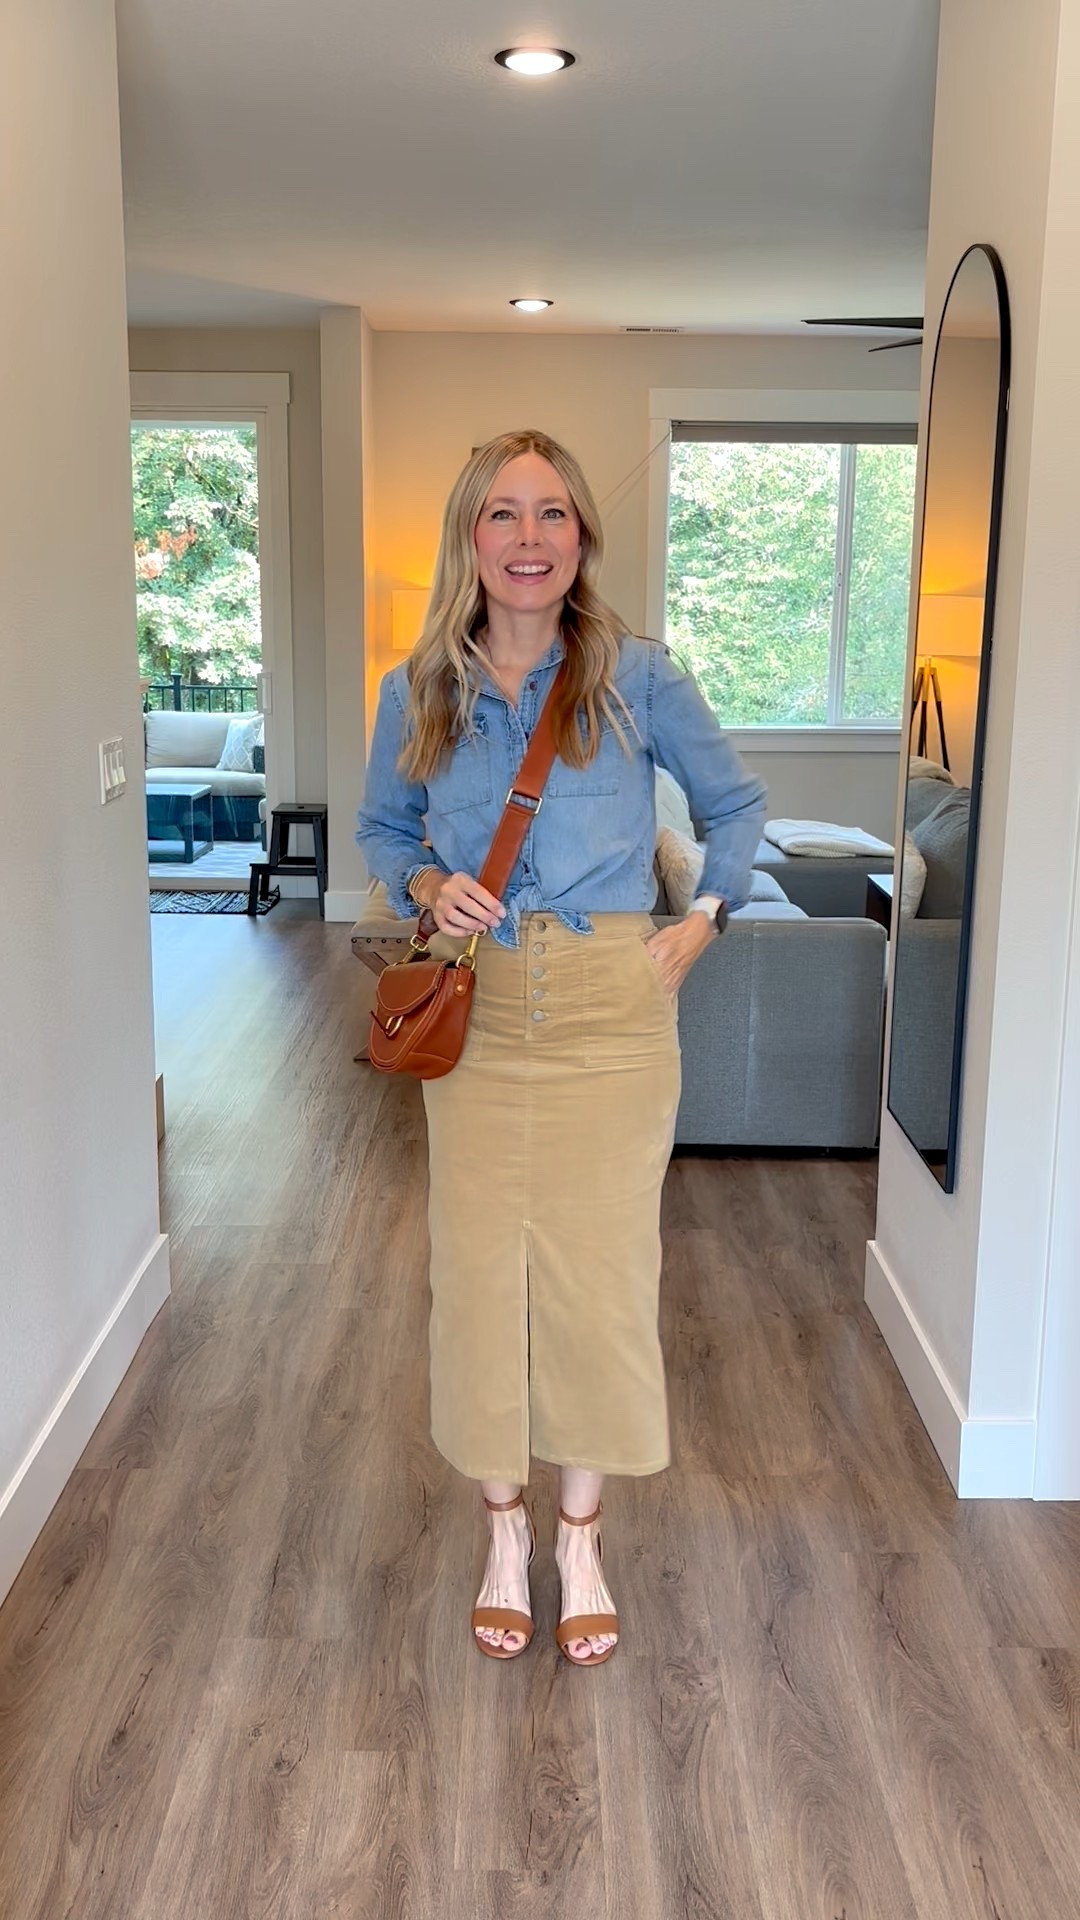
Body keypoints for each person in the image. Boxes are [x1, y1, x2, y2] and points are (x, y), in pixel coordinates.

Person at [356, 428, 765, 1666]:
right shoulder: (419, 688)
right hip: (478, 1009)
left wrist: (705, 917)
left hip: (611, 1008)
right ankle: (503, 1530)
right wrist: (428, 883)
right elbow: (383, 829)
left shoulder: (638, 676)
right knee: (478, 1272)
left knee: (602, 1276)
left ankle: (579, 1539)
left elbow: (736, 805)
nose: (528, 539)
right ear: (469, 537)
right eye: (502, 513)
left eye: (551, 514)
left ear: (582, 536)